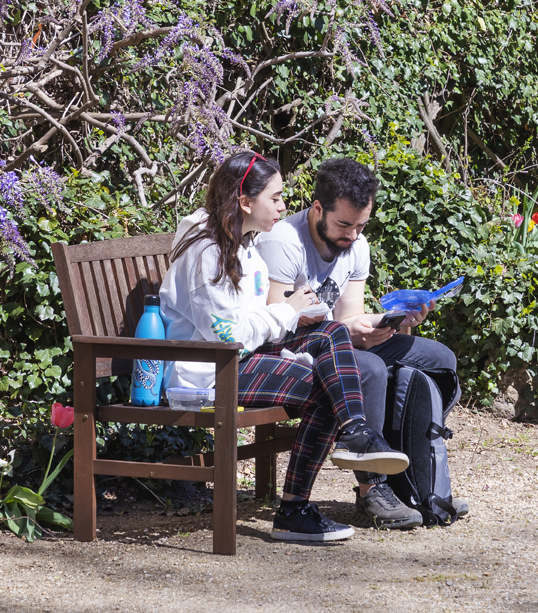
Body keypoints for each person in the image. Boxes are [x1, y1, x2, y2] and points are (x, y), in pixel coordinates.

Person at [159, 150, 409, 544]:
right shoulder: (206, 251)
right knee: (325, 384)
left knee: (332, 333)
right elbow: (227, 335)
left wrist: (299, 314)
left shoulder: (241, 244)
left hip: (241, 358)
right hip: (211, 371)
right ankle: (294, 509)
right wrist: (287, 311)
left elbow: (251, 319)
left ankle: (355, 431)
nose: (283, 205)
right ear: (245, 202)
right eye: (275, 197)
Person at [258, 156, 467, 530]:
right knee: (368, 368)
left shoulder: (357, 245)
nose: (352, 235)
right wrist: (348, 332)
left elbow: (350, 313)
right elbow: (276, 324)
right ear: (318, 208)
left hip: (339, 337)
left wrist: (391, 322)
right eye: (343, 224)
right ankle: (372, 490)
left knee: (440, 358)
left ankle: (414, 474)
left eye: (360, 225)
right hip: (295, 348)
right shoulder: (284, 242)